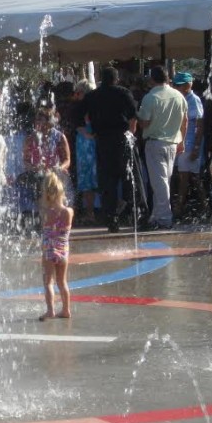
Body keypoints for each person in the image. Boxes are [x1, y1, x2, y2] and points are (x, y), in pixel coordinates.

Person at [80, 66, 140, 233]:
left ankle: (111, 218)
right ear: (116, 78)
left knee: (108, 181)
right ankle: (135, 212)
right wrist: (131, 132)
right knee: (129, 176)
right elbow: (133, 115)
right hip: (121, 137)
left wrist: (87, 133)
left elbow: (77, 114)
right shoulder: (123, 93)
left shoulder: (93, 96)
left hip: (103, 139)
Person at [137, 66, 187, 231]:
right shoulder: (179, 96)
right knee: (164, 179)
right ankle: (156, 215)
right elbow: (184, 120)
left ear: (152, 80)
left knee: (159, 182)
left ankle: (165, 217)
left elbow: (145, 122)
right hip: (173, 142)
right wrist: (182, 141)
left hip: (155, 142)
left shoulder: (150, 97)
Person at [38, 170, 73, 320]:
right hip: (63, 252)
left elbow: (45, 229)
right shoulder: (69, 211)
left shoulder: (45, 212)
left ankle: (50, 311)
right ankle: (66, 310)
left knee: (48, 282)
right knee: (62, 282)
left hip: (49, 252)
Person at [172, 72, 206, 219]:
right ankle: (204, 205)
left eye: (178, 85)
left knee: (189, 176)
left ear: (188, 85)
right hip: (182, 142)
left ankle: (179, 208)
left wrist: (197, 147)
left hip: (191, 142)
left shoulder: (194, 100)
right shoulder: (179, 99)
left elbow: (200, 124)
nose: (176, 87)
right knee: (188, 176)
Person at [72, 79, 97, 225]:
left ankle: (90, 212)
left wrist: (88, 133)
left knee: (87, 177)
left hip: (84, 142)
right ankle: (93, 210)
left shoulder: (80, 107)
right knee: (96, 175)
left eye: (78, 92)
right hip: (94, 141)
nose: (76, 95)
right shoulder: (98, 105)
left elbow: (78, 125)